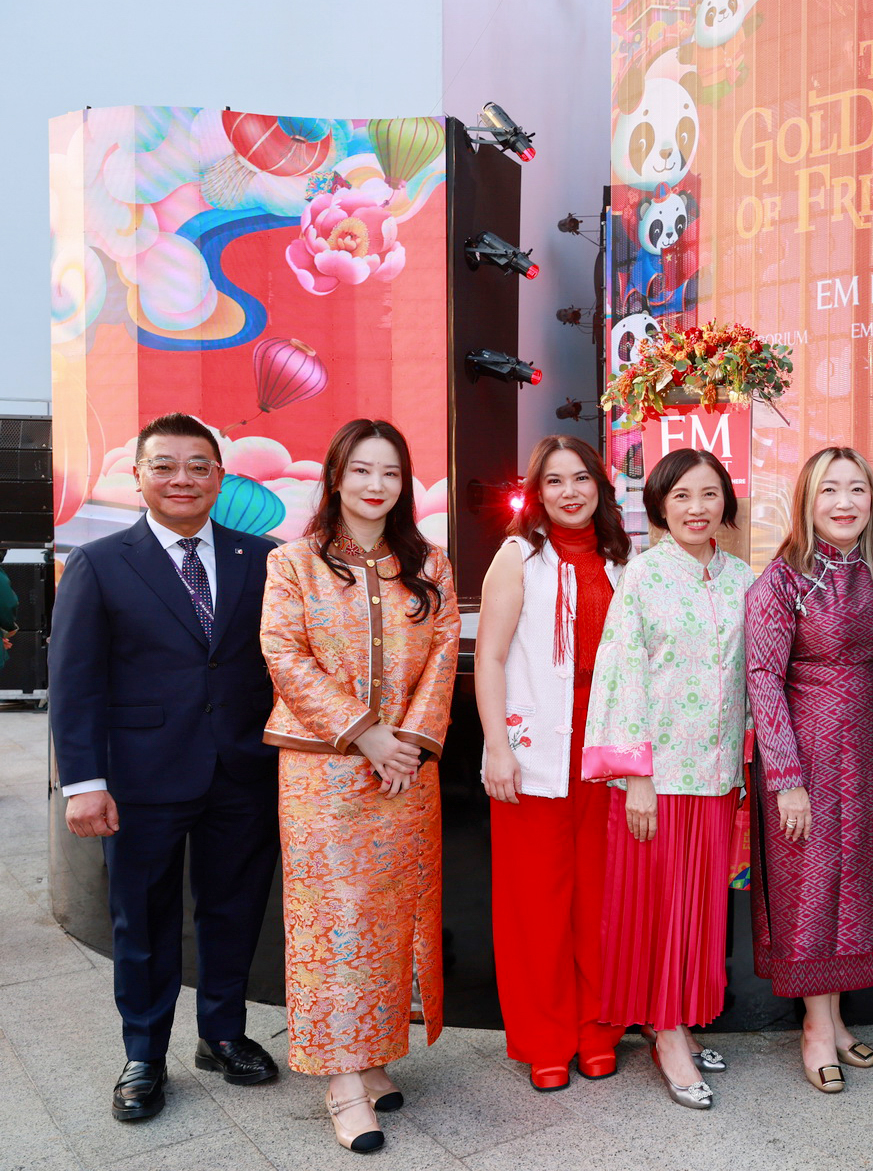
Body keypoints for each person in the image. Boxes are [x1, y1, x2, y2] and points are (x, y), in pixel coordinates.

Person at [50, 412, 282, 1124]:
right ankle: (144, 1053)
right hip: (140, 779)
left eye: (198, 466)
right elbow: (75, 680)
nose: (183, 478)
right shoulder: (100, 562)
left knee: (233, 908)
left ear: (220, 476)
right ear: (140, 476)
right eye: (166, 465)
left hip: (242, 773)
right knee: (142, 921)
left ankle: (221, 1033)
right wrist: (84, 783)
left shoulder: (267, 557)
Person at [261, 419, 459, 1154]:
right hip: (322, 772)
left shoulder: (429, 563)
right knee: (334, 922)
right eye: (363, 471)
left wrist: (405, 742)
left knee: (389, 918)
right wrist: (364, 733)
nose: (376, 486)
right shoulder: (296, 563)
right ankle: (342, 1078)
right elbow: (283, 652)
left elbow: (442, 654)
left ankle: (371, 1053)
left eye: (392, 474)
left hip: (406, 770)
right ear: (336, 477)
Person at [583, 447, 754, 1111]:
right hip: (660, 779)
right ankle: (669, 1035)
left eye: (709, 494)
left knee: (702, 909)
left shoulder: (744, 578)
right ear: (659, 505)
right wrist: (637, 778)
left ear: (725, 505)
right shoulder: (644, 578)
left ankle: (678, 1015)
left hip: (719, 777)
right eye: (681, 496)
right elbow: (621, 679)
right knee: (661, 909)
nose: (696, 508)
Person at [745, 446, 873, 1093]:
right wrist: (785, 778)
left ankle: (836, 1021)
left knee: (858, 883)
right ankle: (814, 1027)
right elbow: (762, 678)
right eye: (829, 490)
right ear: (806, 502)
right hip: (807, 752)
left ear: (872, 500)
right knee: (811, 888)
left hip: (869, 749)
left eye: (857, 490)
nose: (844, 503)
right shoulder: (780, 581)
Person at [474, 436, 631, 1091]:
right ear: (537, 493)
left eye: (582, 479)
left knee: (601, 898)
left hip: (607, 748)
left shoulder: (626, 561)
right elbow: (488, 657)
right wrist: (497, 747)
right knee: (535, 902)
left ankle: (598, 1029)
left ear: (601, 485)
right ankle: (544, 1038)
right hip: (534, 748)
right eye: (555, 481)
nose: (570, 492)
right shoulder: (518, 558)